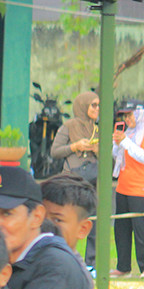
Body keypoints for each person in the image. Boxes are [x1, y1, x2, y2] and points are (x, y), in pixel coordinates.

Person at [52, 91, 100, 266]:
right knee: (68, 219)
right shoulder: (69, 126)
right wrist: (75, 146)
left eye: (98, 105)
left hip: (93, 182)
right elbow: (55, 151)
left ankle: (91, 264)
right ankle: (64, 258)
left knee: (93, 221)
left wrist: (98, 150)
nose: (97, 109)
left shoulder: (98, 128)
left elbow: (111, 161)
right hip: (72, 180)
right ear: (83, 105)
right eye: (93, 105)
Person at [111, 104, 144, 278]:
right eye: (124, 117)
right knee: (121, 228)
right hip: (123, 186)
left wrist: (125, 142)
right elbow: (117, 156)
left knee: (141, 230)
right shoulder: (128, 134)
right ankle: (123, 266)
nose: (127, 120)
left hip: (140, 188)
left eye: (130, 116)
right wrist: (117, 143)